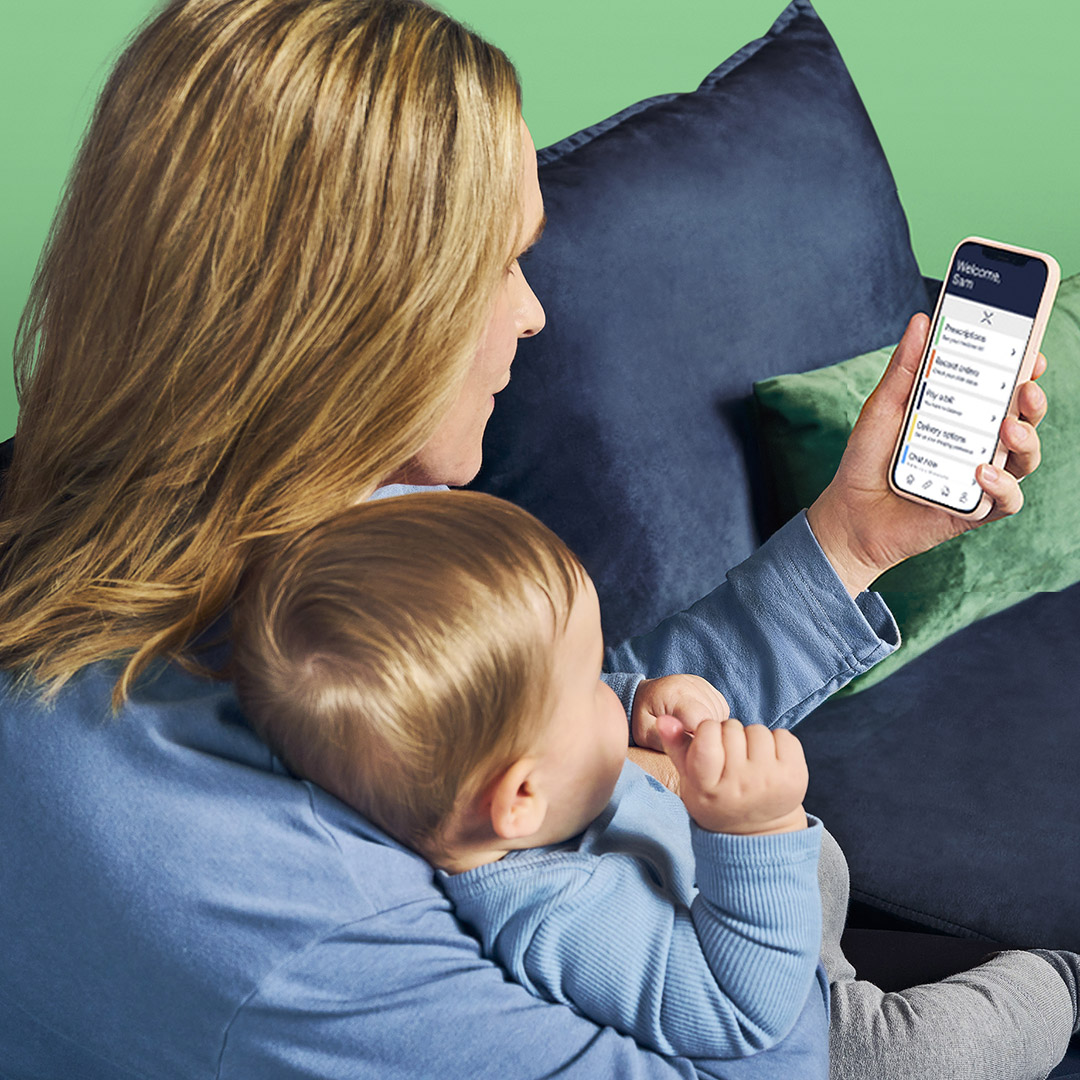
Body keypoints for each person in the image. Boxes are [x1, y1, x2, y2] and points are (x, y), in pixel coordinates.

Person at [0, 0, 1070, 1077]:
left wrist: (852, 537)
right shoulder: (292, 926)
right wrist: (762, 853)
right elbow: (771, 1061)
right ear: (356, 316)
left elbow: (540, 730)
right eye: (502, 265)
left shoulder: (285, 524)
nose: (531, 314)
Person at [232, 489, 826, 1061]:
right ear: (521, 797)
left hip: (779, 909)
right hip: (800, 987)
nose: (608, 684)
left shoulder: (518, 792)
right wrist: (758, 832)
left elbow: (538, 724)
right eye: (593, 678)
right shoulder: (558, 916)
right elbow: (744, 1011)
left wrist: (630, 705)